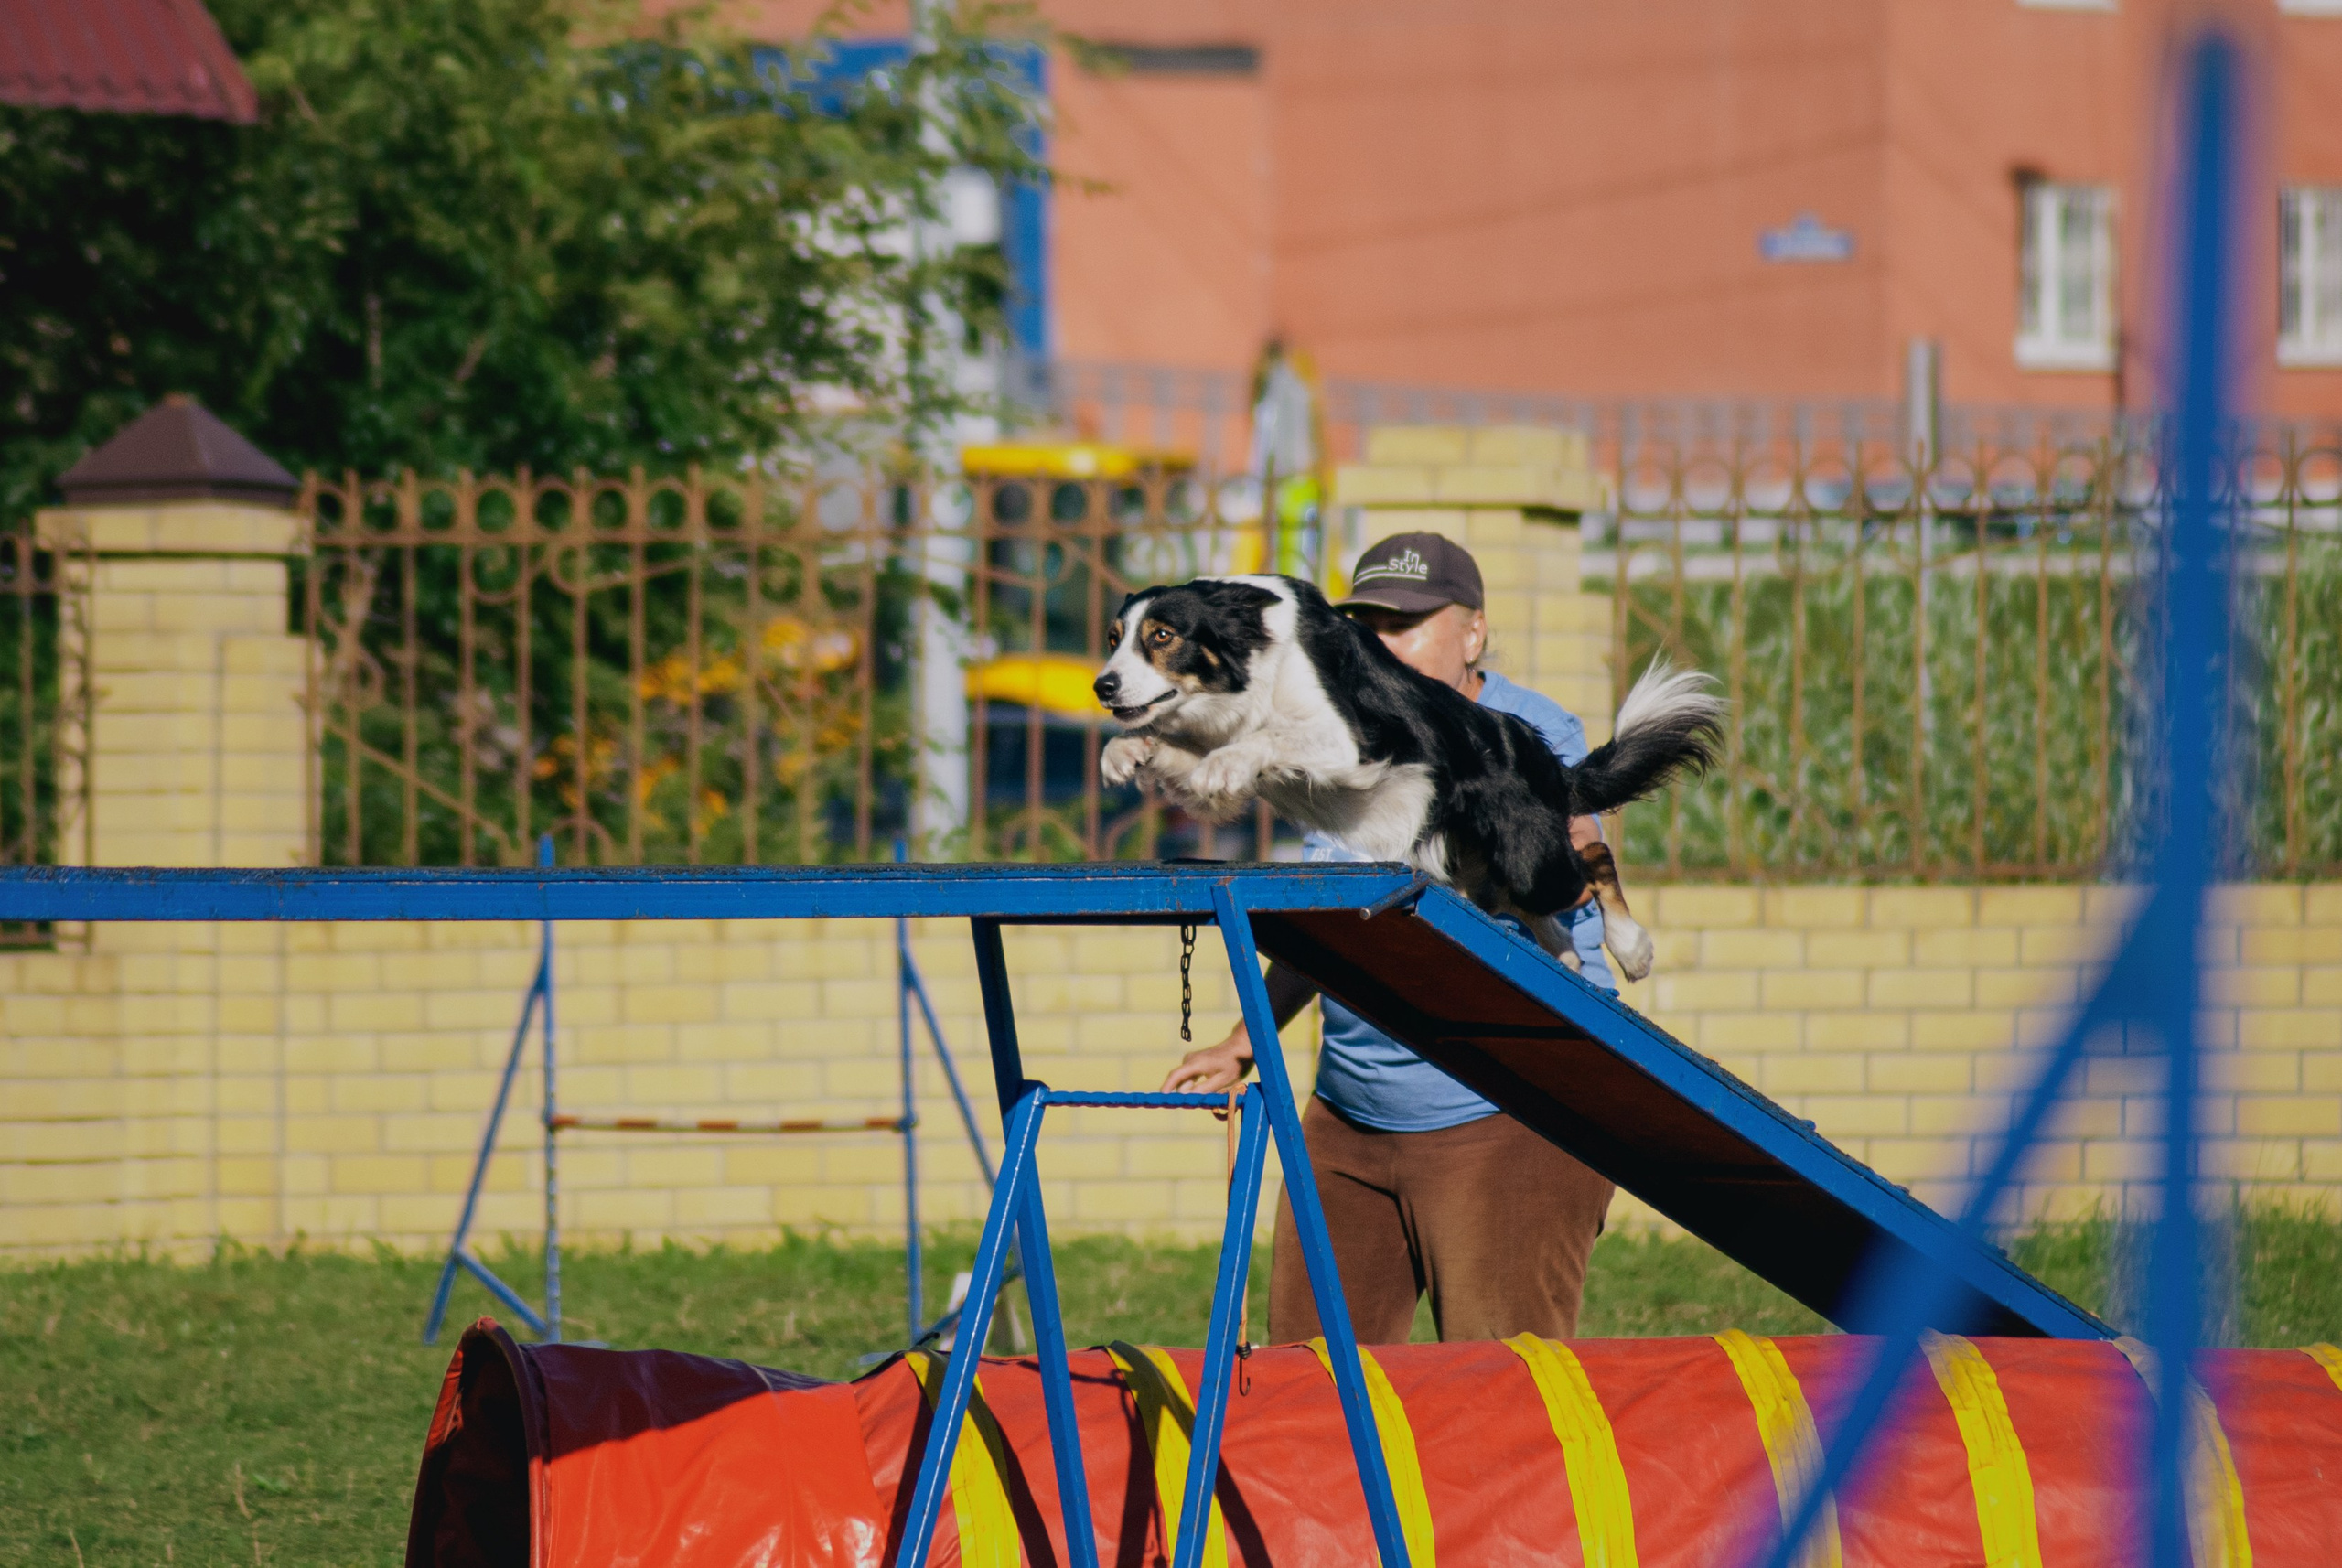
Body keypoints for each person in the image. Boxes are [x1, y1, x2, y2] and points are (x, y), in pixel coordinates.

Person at [1160, 532, 1621, 1344]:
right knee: (1311, 1381)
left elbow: (1576, 868)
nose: (1380, 641)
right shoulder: (1336, 728)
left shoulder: (1529, 729)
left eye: (1405, 624)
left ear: (1473, 633)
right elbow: (1329, 917)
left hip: (1505, 1112)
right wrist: (1242, 1042)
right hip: (1350, 1118)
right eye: (1366, 624)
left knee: (1496, 1386)